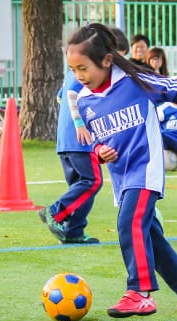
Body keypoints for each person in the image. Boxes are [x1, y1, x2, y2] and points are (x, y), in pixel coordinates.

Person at [65, 23, 177, 317]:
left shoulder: (135, 80)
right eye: (73, 70)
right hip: (122, 177)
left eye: (83, 68)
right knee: (151, 238)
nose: (79, 77)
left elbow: (174, 89)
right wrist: (99, 151)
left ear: (106, 61)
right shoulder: (84, 100)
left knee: (129, 222)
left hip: (146, 168)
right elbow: (94, 139)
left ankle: (140, 291)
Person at [38, 27, 130, 245]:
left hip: (65, 140)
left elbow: (60, 97)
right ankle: (55, 212)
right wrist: (80, 124)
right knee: (92, 181)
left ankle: (73, 232)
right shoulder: (88, 73)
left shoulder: (76, 71)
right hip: (82, 139)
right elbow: (70, 96)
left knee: (81, 187)